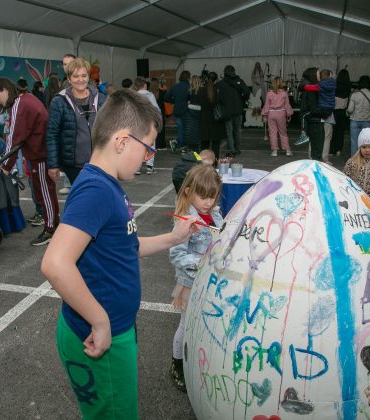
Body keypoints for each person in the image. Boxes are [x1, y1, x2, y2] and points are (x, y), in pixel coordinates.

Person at [40, 89, 198, 419]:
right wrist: (99, 321)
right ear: (123, 141)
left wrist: (174, 237)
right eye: (148, 147)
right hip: (99, 335)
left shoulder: (108, 185)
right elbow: (55, 263)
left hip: (114, 329)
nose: (148, 157)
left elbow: (128, 246)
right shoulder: (96, 190)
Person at [168, 164, 223, 391]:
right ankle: (177, 365)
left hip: (210, 281)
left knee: (202, 324)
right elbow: (176, 254)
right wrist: (200, 262)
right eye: (204, 197)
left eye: (213, 196)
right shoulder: (185, 219)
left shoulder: (215, 213)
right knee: (186, 326)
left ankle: (196, 360)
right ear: (189, 191)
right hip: (191, 284)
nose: (209, 202)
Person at [0, 77, 58, 246]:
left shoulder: (19, 105)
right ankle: (52, 225)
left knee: (45, 193)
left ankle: (51, 229)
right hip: (41, 152)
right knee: (46, 192)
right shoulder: (26, 98)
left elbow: (14, 138)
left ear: (5, 90)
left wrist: (6, 165)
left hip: (40, 154)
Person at [46, 58, 106, 185]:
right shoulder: (59, 101)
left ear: (88, 77)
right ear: (69, 79)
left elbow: (111, 128)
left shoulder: (101, 99)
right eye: (75, 76)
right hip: (74, 165)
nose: (80, 80)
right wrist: (53, 164)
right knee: (83, 193)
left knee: (99, 193)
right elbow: (52, 134)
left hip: (101, 161)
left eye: (84, 75)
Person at [216, 65, 250, 156]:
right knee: (237, 130)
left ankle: (231, 150)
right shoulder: (240, 81)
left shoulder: (220, 84)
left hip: (226, 110)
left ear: (224, 72)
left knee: (229, 131)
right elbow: (247, 92)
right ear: (234, 72)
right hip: (238, 109)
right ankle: (237, 149)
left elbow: (217, 97)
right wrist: (242, 100)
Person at [298, 67, 325, 161]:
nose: (320, 76)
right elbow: (313, 108)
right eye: (318, 73)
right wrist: (325, 112)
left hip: (313, 121)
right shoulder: (311, 90)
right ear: (313, 75)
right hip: (315, 122)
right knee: (317, 152)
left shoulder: (309, 88)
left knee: (315, 151)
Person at [261, 77, 293, 157]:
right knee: (283, 133)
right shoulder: (284, 93)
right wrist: (289, 114)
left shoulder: (269, 93)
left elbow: (266, 105)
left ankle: (274, 151)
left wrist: (264, 115)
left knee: (272, 133)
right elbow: (287, 105)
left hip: (271, 114)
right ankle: (287, 150)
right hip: (281, 113)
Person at [134, 76, 159, 174]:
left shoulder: (134, 96)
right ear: (145, 85)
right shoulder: (150, 95)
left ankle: (137, 167)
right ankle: (149, 166)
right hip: (149, 123)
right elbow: (156, 109)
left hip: (138, 123)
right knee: (151, 143)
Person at [198, 71, 226, 159]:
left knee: (204, 144)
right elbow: (223, 104)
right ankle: (215, 162)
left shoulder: (201, 90)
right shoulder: (219, 90)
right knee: (216, 145)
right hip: (216, 120)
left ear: (207, 78)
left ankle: (203, 162)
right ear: (216, 80)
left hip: (204, 119)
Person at [347, 75, 370, 155]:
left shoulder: (354, 95)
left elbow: (350, 109)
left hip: (355, 120)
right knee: (366, 142)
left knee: (354, 142)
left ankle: (354, 159)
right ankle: (364, 159)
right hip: (367, 121)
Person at [165, 71, 191, 152]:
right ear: (188, 77)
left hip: (177, 111)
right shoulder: (189, 87)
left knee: (180, 129)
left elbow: (166, 97)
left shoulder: (175, 86)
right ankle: (180, 145)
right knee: (185, 130)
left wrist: (174, 101)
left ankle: (177, 143)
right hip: (186, 111)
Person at [184, 75, 202, 152]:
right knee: (198, 130)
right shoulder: (202, 91)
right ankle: (197, 153)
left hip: (190, 112)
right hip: (200, 112)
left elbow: (186, 101)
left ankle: (190, 153)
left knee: (190, 130)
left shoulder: (189, 91)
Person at [149, 77, 167, 150]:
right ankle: (161, 145)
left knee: (153, 130)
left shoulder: (149, 93)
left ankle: (154, 145)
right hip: (160, 113)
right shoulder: (161, 93)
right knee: (161, 130)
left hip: (152, 114)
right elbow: (167, 97)